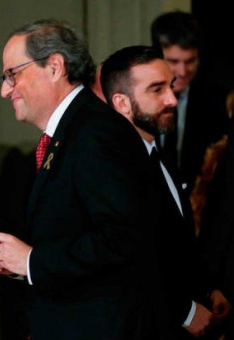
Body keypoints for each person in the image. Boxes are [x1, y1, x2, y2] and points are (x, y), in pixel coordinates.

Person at [0, 19, 159, 339]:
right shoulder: (72, 132)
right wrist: (21, 262)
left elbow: (122, 239)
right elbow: (78, 234)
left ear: (55, 66)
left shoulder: (93, 133)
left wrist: (32, 260)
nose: (5, 90)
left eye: (12, 74)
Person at [100, 45, 231, 338]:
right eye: (157, 89)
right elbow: (131, 262)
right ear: (121, 102)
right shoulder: (111, 169)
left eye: (170, 87)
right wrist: (186, 312)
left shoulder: (160, 152)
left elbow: (176, 242)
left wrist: (208, 289)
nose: (172, 98)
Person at [151, 11, 230, 193]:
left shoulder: (219, 100)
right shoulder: (139, 95)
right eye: (173, 61)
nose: (182, 71)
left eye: (190, 61)